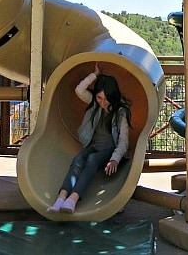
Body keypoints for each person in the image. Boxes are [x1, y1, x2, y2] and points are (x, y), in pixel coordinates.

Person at [48, 63, 132, 214]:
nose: (103, 102)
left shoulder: (120, 112)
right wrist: (95, 75)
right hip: (94, 145)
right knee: (78, 159)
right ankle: (60, 199)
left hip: (109, 150)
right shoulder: (95, 103)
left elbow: (123, 140)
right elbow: (79, 90)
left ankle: (73, 199)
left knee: (92, 159)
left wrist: (115, 159)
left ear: (113, 96)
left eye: (106, 99)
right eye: (99, 98)